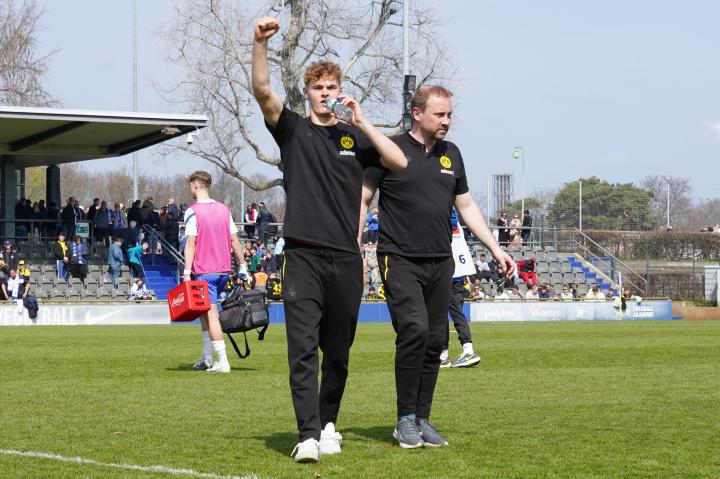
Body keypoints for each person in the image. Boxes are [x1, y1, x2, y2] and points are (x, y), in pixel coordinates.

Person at [252, 16, 407, 463]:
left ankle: (328, 423)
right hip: (301, 255)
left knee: (337, 352)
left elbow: (399, 161)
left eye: (331, 87)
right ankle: (307, 435)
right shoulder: (293, 130)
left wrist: (362, 120)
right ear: (306, 92)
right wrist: (259, 43)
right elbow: (262, 90)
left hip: (345, 258)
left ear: (340, 90)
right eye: (317, 87)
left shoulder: (355, 137)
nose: (324, 93)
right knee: (302, 348)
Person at [362, 85, 515, 449]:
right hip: (399, 258)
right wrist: (354, 243)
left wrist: (496, 249)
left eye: (449, 115)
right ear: (417, 113)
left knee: (435, 340)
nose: (447, 121)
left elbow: (467, 206)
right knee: (413, 330)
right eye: (440, 114)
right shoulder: (390, 149)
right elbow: (364, 198)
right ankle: (404, 419)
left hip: (440, 260)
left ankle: (422, 418)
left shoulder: (452, 154)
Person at [183, 171, 248, 374]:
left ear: (195, 186)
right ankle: (207, 356)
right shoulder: (224, 209)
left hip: (205, 271)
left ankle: (223, 361)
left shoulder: (192, 211)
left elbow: (190, 244)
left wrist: (186, 272)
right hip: (223, 270)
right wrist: (243, 266)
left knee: (211, 314)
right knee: (203, 312)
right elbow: (235, 241)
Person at [440, 210, 481, 369]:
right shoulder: (455, 222)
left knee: (441, 315)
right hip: (459, 275)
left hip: (445, 273)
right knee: (455, 313)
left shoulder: (442, 219)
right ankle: (464, 350)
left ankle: (446, 355)